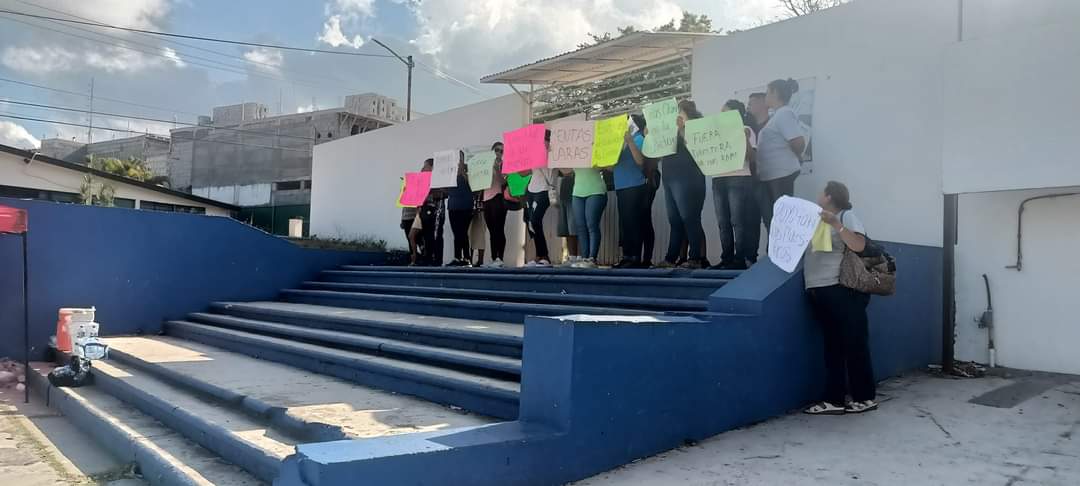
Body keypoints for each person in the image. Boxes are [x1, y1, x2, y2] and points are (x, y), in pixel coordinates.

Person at [803, 181, 877, 415]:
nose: (818, 194)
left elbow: (859, 244)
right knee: (833, 347)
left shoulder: (847, 216)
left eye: (821, 191)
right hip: (821, 290)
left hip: (843, 289)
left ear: (828, 196)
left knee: (855, 344)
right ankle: (834, 399)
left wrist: (836, 223)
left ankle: (864, 398)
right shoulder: (816, 221)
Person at [655, 99, 708, 269]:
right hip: (670, 177)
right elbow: (659, 152)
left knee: (689, 218)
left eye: (679, 113)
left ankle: (695, 258)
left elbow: (697, 147)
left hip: (689, 177)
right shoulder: (670, 130)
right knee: (674, 220)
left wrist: (682, 129)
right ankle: (671, 258)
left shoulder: (696, 126)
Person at [710, 100, 757, 270]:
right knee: (723, 222)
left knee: (737, 220)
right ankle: (727, 258)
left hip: (739, 177)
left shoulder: (747, 130)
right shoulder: (715, 132)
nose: (721, 115)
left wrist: (744, 138)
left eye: (725, 112)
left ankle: (740, 259)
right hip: (718, 178)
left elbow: (752, 158)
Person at [756, 79, 806, 232]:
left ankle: (789, 254)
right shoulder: (778, 115)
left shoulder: (784, 113)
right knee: (776, 219)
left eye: (767, 92)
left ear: (775, 93)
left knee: (783, 219)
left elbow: (798, 141)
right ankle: (779, 253)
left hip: (781, 174)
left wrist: (797, 156)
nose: (765, 96)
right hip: (773, 176)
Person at [614, 114, 650, 268]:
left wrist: (629, 141)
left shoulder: (639, 139)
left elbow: (640, 161)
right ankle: (626, 255)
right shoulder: (618, 143)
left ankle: (635, 257)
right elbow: (610, 166)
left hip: (634, 185)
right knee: (624, 224)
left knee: (634, 222)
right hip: (620, 186)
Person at [743, 92, 769, 263]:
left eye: (752, 103)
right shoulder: (748, 126)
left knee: (770, 219)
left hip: (769, 180)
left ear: (762, 103)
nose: (749, 106)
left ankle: (772, 257)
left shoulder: (773, 125)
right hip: (748, 179)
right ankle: (750, 258)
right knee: (750, 220)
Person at [524, 131, 555, 267]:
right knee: (531, 222)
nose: (542, 142)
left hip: (544, 190)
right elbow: (524, 172)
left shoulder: (554, 153)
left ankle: (545, 256)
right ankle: (539, 255)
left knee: (535, 220)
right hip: (531, 189)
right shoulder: (534, 153)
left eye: (545, 139)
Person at [570, 163, 608, 269]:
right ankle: (584, 257)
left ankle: (592, 258)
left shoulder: (596, 146)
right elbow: (565, 171)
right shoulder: (574, 149)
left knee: (592, 224)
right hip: (577, 192)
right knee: (580, 226)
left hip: (596, 190)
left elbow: (607, 165)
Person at [482, 142, 508, 268]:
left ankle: (500, 258)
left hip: (498, 197)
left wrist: (498, 168)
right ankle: (494, 258)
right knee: (492, 231)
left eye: (501, 151)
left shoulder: (503, 165)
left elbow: (504, 181)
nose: (499, 153)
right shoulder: (484, 165)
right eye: (497, 150)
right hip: (486, 199)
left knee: (499, 228)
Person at [446, 151, 474, 266]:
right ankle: (457, 257)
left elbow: (476, 186)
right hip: (453, 207)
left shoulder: (469, 172)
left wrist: (463, 173)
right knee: (456, 233)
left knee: (462, 232)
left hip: (466, 207)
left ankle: (467, 258)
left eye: (459, 158)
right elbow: (445, 190)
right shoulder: (449, 174)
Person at [555, 171, 580, 266]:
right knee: (565, 227)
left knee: (575, 225)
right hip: (564, 186)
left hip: (578, 184)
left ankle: (581, 256)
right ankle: (572, 256)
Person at [469, 193, 486, 266]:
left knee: (480, 234)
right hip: (470, 208)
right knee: (469, 235)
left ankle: (480, 260)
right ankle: (470, 259)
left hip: (481, 209)